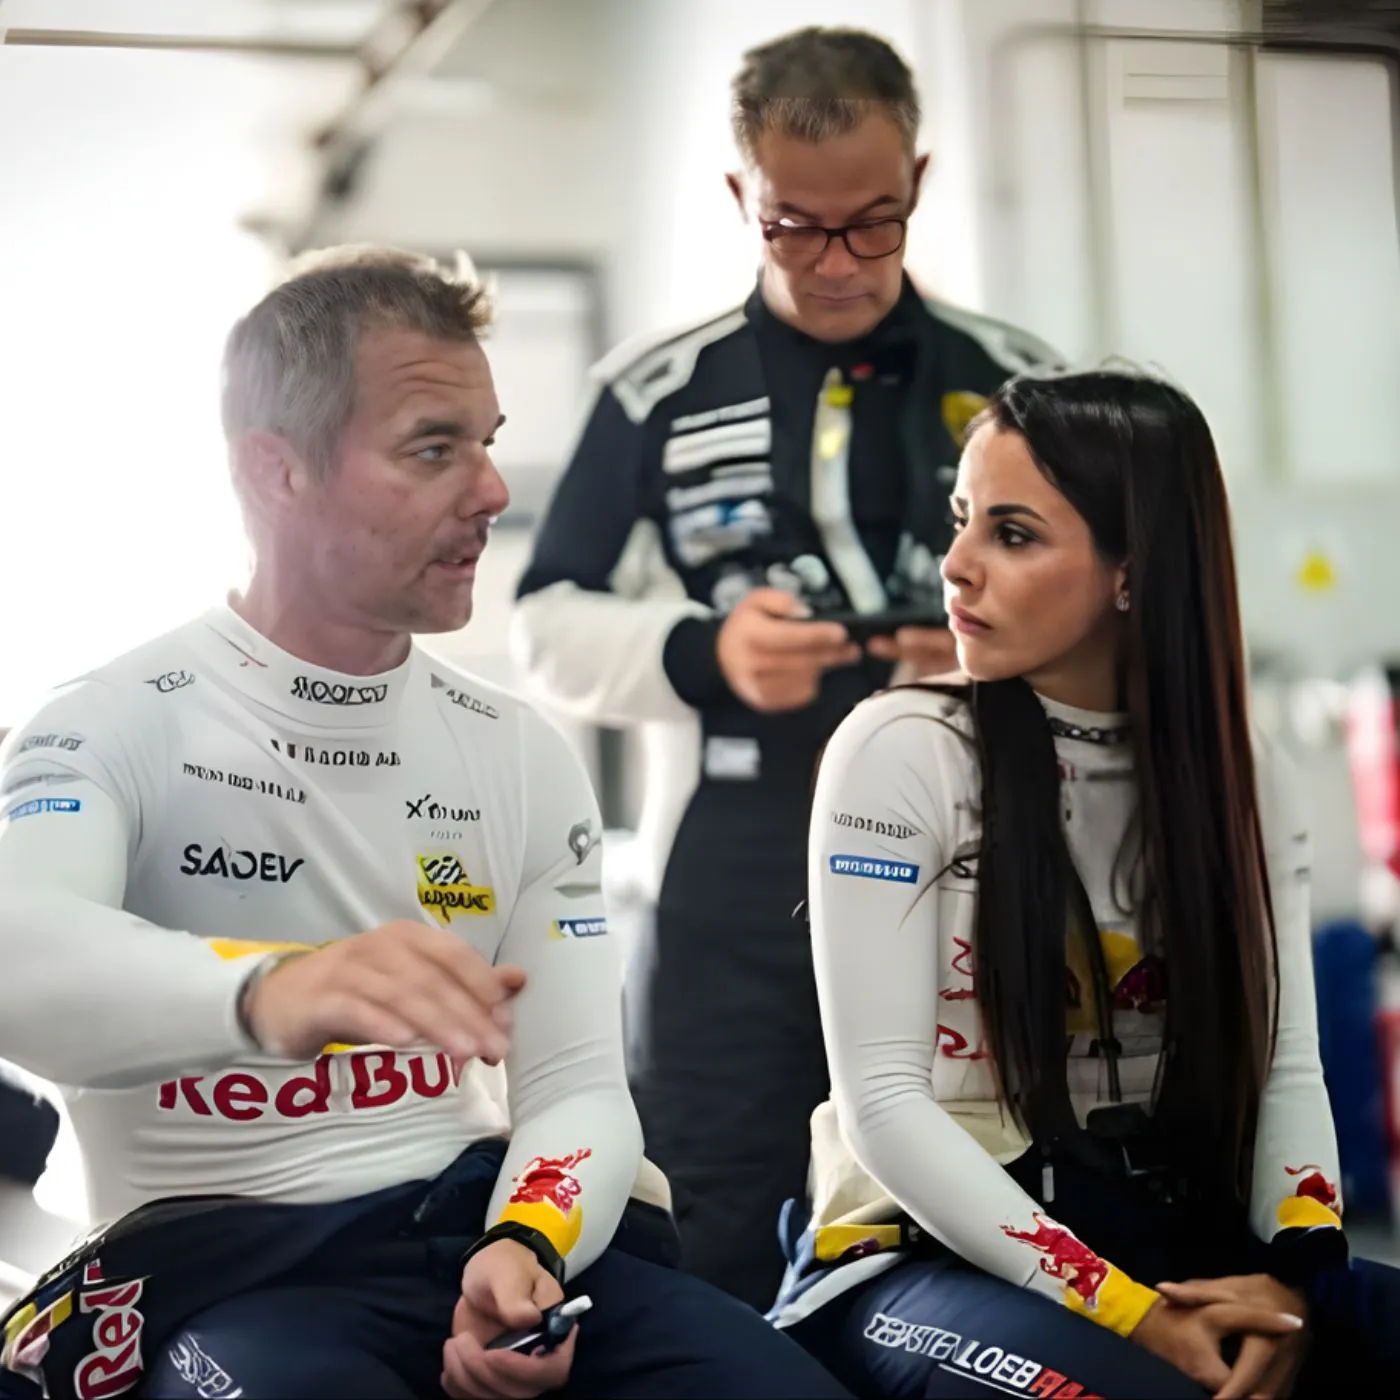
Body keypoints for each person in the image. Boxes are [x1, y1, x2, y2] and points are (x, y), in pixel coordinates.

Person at [0, 247, 852, 1400]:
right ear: (274, 470)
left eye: (487, 442)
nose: (492, 490)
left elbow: (577, 1087)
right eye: (432, 448)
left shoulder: (514, 748)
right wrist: (272, 988)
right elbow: (18, 959)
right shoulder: (110, 721)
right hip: (234, 1277)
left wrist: (530, 1244)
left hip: (478, 1228)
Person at [511, 25, 1061, 1309]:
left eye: (871, 223)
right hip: (734, 851)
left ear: (917, 180)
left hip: (983, 844)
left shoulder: (1023, 383)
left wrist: (992, 653)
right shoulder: (652, 390)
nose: (835, 263)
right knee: (709, 1195)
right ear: (738, 195)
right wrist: (702, 651)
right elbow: (542, 623)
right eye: (792, 226)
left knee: (976, 1186)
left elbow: (1121, 599)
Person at [770, 367, 1400, 1397]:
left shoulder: (1242, 770)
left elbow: (1285, 1070)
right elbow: (881, 1105)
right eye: (961, 520)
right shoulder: (898, 748)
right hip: (914, 1259)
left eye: (1012, 534)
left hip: (1172, 1239)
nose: (955, 567)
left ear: (1129, 572)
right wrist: (1124, 1309)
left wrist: (1297, 1286)